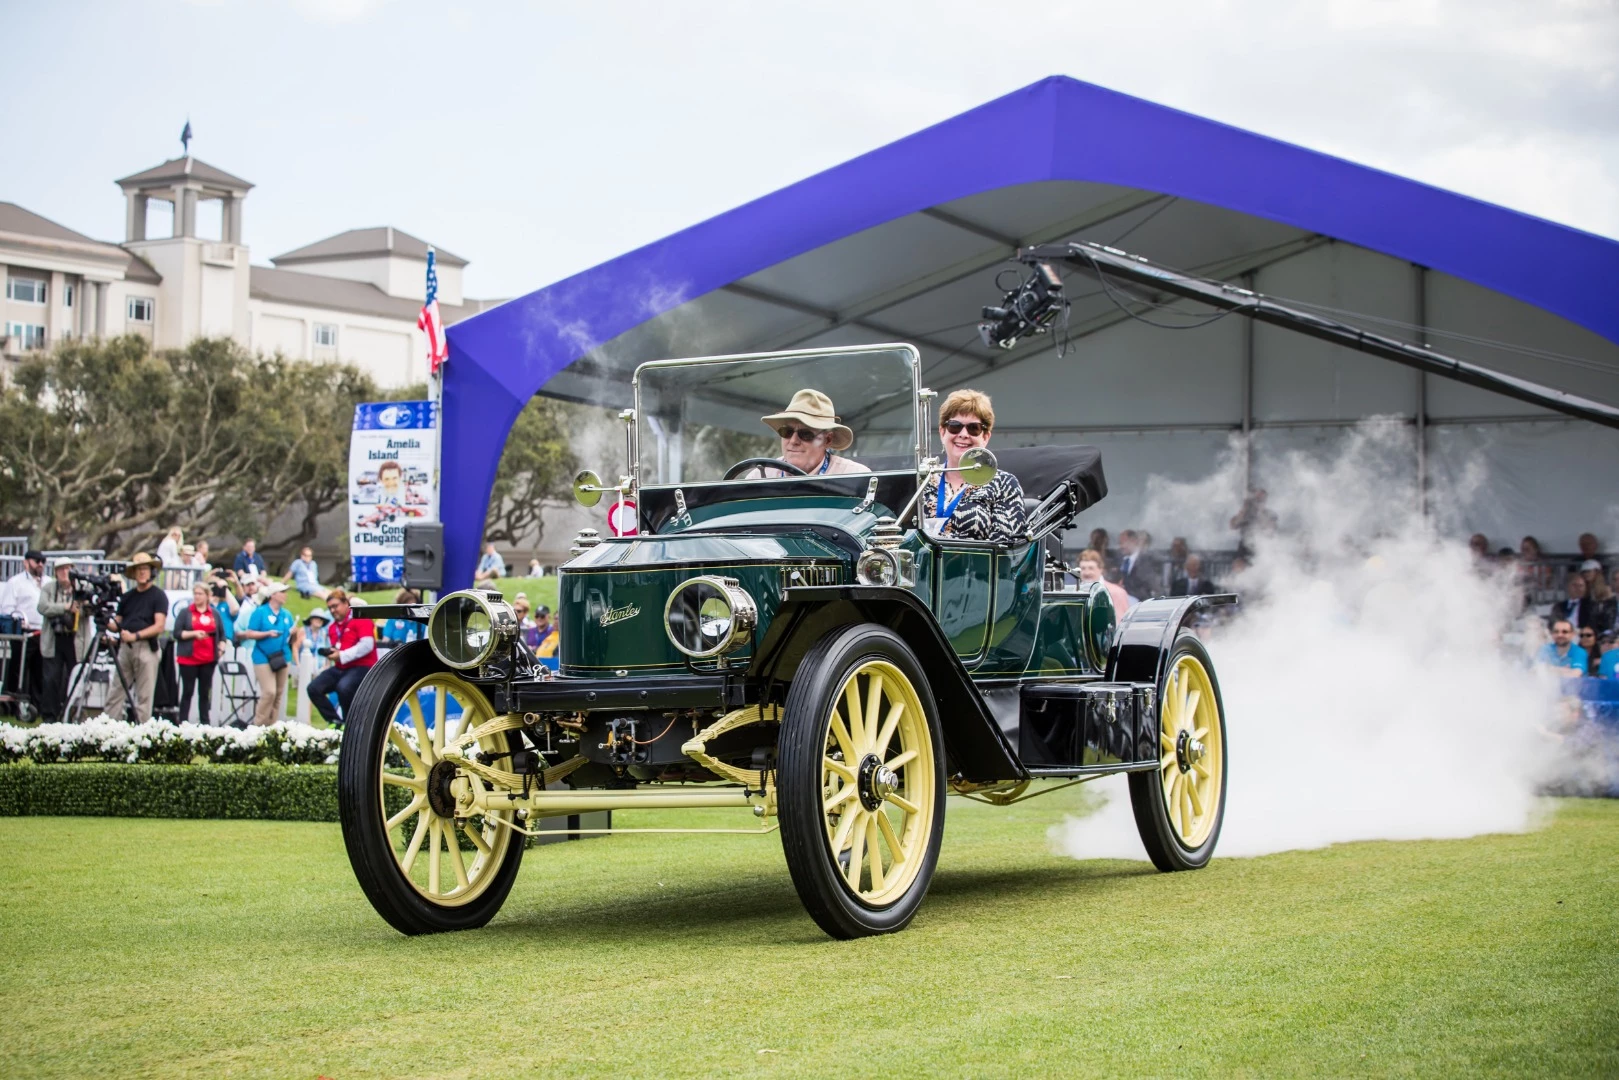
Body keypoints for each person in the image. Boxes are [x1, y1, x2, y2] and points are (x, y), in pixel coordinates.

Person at [915, 389, 1027, 545]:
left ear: (985, 436)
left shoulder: (1004, 484)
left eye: (973, 428)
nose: (963, 434)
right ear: (942, 432)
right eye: (955, 426)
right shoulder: (921, 481)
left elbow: (1006, 547)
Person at [101, 552, 170, 723]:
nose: (142, 572)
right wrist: (105, 621)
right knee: (116, 690)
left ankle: (140, 733)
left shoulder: (158, 595)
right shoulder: (128, 597)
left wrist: (136, 635)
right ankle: (107, 729)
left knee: (144, 696)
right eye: (139, 569)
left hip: (146, 647)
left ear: (151, 571)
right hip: (125, 647)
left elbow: (159, 626)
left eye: (145, 569)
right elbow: (118, 623)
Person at [746, 389, 871, 478]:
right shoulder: (760, 476)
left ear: (827, 440)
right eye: (787, 432)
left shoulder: (854, 476)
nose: (793, 441)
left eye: (806, 434)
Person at [307, 589, 377, 727]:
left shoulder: (360, 619)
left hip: (362, 666)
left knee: (344, 687)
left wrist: (342, 655)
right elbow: (340, 648)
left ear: (346, 603)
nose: (332, 610)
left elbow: (367, 645)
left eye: (335, 606)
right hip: (341, 667)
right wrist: (333, 653)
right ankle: (335, 722)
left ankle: (350, 725)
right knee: (314, 688)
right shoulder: (332, 627)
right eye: (330, 608)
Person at [35, 558, 93, 722]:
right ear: (55, 572)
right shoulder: (49, 588)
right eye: (60, 569)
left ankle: (74, 714)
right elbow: (42, 607)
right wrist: (66, 608)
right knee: (51, 679)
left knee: (76, 678)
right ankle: (49, 717)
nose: (64, 572)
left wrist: (79, 608)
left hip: (76, 640)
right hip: (54, 639)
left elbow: (90, 610)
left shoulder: (82, 588)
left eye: (67, 569)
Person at [241, 581, 297, 726]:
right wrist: (266, 634)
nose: (285, 595)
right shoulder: (260, 612)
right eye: (282, 592)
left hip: (282, 655)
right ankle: (259, 725)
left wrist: (294, 634)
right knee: (269, 692)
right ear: (273, 595)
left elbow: (292, 639)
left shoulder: (286, 614)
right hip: (262, 655)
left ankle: (271, 726)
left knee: (278, 694)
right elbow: (249, 633)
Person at [173, 581, 224, 724]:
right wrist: (193, 634)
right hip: (189, 658)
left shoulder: (214, 613)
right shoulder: (186, 613)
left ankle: (204, 723)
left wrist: (221, 647)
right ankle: (183, 722)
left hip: (208, 659)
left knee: (204, 693)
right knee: (187, 691)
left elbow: (222, 634)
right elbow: (177, 633)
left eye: (200, 594)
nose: (197, 597)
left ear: (208, 596)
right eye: (195, 594)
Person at [1077, 548, 1131, 613]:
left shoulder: (1117, 593)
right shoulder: (1074, 593)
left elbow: (1120, 620)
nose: (1087, 573)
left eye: (1091, 568)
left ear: (1101, 569)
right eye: (1083, 568)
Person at [1115, 529, 1158, 600]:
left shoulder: (1148, 560)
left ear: (1133, 541)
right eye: (1119, 543)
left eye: (1123, 543)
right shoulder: (1118, 560)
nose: (1121, 546)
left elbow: (1152, 585)